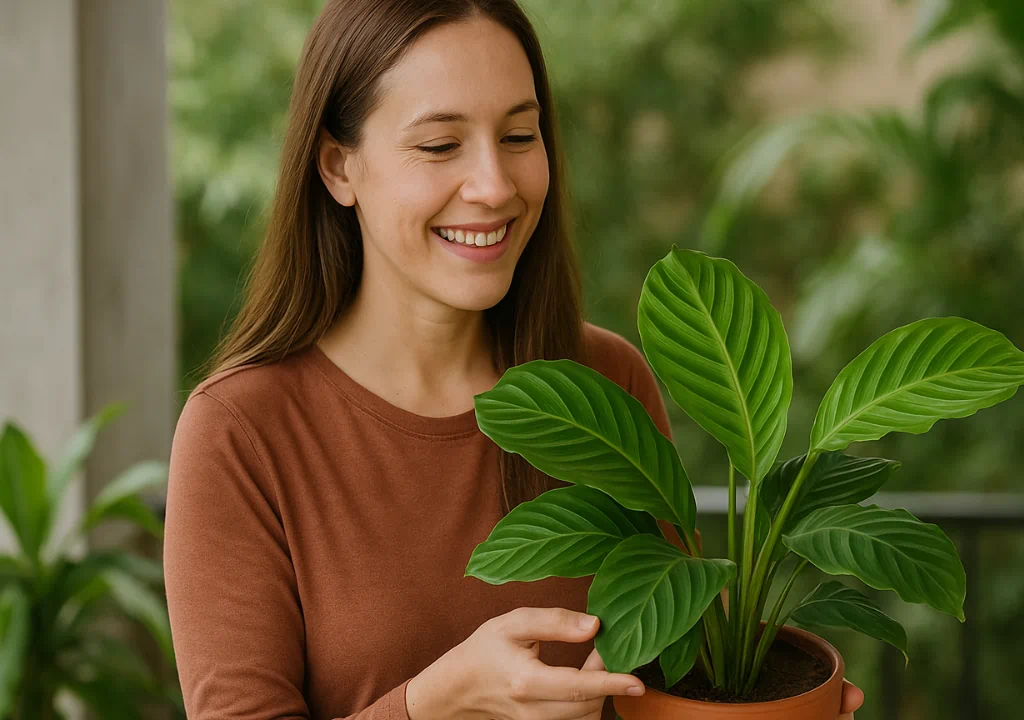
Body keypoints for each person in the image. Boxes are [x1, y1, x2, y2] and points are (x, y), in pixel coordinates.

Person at [162, 1, 865, 719]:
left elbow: (665, 655)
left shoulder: (604, 382)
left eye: (520, 135)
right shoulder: (241, 431)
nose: (495, 185)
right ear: (340, 167)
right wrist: (436, 703)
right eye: (440, 146)